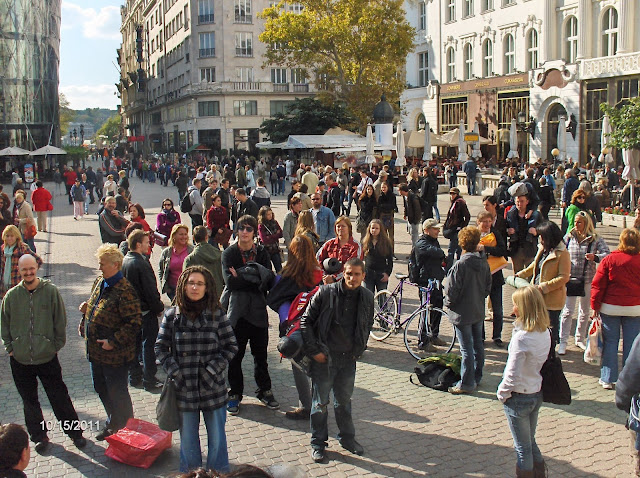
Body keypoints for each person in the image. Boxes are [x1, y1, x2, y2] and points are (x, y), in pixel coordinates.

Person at [156, 266, 237, 473]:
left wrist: (212, 370)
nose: (195, 287)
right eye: (191, 283)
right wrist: (175, 372)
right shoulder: (172, 316)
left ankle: (218, 473)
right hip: (184, 389)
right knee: (188, 440)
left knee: (217, 439)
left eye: (199, 283)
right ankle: (190, 474)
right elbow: (160, 347)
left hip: (213, 388)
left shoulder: (217, 314)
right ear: (183, 286)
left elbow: (231, 346)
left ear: (207, 287)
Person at [1, 255, 86, 453]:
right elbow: (4, 323)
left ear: (36, 268)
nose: (29, 273)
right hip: (20, 360)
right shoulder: (12, 296)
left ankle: (75, 433)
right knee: (29, 401)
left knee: (59, 397)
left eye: (31, 269)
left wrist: (55, 345)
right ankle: (39, 436)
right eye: (25, 270)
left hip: (47, 357)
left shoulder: (50, 292)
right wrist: (10, 347)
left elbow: (60, 320)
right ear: (19, 271)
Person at [300, 258, 374, 463]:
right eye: (349, 273)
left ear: (363, 276)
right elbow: (306, 321)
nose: (352, 278)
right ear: (344, 273)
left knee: (344, 402)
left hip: (348, 359)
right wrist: (314, 351)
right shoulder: (326, 292)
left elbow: (367, 323)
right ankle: (318, 443)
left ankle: (347, 439)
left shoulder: (367, 297)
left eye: (357, 274)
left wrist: (360, 348)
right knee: (320, 403)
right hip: (325, 358)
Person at [78, 244, 142, 441]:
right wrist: (85, 315)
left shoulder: (125, 290)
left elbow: (134, 323)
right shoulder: (100, 282)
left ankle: (126, 429)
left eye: (102, 264)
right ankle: (113, 422)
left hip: (113, 355)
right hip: (95, 353)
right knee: (100, 387)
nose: (99, 267)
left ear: (115, 265)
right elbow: (95, 306)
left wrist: (113, 341)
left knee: (118, 392)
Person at [222, 215, 278, 416]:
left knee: (260, 356)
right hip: (236, 314)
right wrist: (254, 277)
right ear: (236, 230)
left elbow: (268, 281)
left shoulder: (262, 253)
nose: (245, 232)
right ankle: (235, 393)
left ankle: (265, 390)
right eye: (241, 228)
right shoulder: (229, 253)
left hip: (258, 312)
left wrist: (242, 275)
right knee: (234, 357)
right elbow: (230, 283)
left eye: (249, 229)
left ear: (255, 232)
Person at [266, 236, 323, 421]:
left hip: (292, 328)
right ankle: (319, 406)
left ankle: (305, 406)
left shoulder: (286, 274)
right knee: (317, 367)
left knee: (298, 366)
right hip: (315, 326)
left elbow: (274, 299)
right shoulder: (318, 274)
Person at [497, 286, 551, 478]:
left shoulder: (522, 338)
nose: (513, 307)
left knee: (522, 449)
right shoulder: (544, 332)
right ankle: (540, 474)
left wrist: (502, 393)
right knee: (530, 442)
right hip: (535, 392)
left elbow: (512, 373)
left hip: (518, 396)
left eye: (516, 304)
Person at [591, 228, 640, 390]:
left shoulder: (610, 260)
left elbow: (598, 286)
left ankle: (607, 378)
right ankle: (628, 380)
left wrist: (594, 306)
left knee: (610, 343)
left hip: (610, 307)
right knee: (631, 345)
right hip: (634, 308)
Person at [444, 226, 491, 394]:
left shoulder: (461, 265)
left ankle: (467, 382)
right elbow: (487, 288)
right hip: (477, 310)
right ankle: (477, 376)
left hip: (462, 312)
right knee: (478, 346)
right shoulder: (483, 262)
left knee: (466, 349)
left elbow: (451, 290)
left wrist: (448, 303)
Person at [559, 212, 610, 354]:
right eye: (575, 222)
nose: (576, 225)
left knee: (584, 311)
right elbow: (559, 250)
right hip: (570, 278)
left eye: (579, 222)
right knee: (567, 311)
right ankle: (563, 341)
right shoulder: (569, 237)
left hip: (587, 279)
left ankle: (579, 338)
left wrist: (596, 257)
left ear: (586, 223)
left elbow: (607, 254)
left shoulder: (595, 239)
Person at [121, 230, 165, 392]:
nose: (149, 245)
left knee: (134, 345)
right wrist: (159, 308)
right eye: (146, 242)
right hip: (145, 312)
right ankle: (149, 379)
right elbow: (150, 290)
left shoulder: (125, 260)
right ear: (138, 244)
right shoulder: (141, 262)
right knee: (148, 346)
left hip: (131, 312)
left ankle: (135, 377)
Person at [515, 221, 571, 345]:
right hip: (536, 297)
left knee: (550, 331)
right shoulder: (542, 249)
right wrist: (521, 274)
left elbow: (564, 277)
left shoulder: (563, 254)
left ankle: (550, 356)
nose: (540, 240)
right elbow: (535, 265)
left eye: (542, 237)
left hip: (551, 301)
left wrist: (544, 287)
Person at [409, 218, 447, 351]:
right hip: (425, 282)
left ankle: (434, 335)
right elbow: (436, 252)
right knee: (425, 310)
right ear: (426, 230)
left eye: (438, 228)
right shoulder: (421, 243)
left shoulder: (434, 241)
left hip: (436, 281)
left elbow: (441, 257)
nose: (438, 231)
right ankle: (423, 341)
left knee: (438, 307)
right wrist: (441, 254)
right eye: (435, 228)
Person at [476, 211, 507, 347]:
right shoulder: (474, 235)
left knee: (498, 308)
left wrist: (486, 248)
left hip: (495, 275)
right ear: (479, 222)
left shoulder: (496, 233)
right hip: (479, 277)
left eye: (489, 221)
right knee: (479, 308)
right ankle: (480, 336)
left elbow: (502, 250)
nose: (487, 224)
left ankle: (497, 336)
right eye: (485, 222)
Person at [316, 216, 363, 284]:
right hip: (327, 282)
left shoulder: (355, 246)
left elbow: (353, 266)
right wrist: (324, 276)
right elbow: (318, 260)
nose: (340, 228)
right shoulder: (329, 244)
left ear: (349, 228)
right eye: (338, 226)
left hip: (347, 284)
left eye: (343, 226)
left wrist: (335, 278)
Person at [0, 225, 42, 299]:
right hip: (4, 285)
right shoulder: (3, 249)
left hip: (18, 283)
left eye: (12, 236)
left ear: (16, 236)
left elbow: (38, 260)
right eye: (7, 236)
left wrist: (29, 273)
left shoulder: (22, 248)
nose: (9, 238)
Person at [506, 186, 541, 274]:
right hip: (516, 250)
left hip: (530, 249)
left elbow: (544, 229)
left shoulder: (535, 214)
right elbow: (503, 228)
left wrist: (536, 231)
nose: (519, 204)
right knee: (518, 276)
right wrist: (508, 231)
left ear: (527, 202)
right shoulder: (511, 214)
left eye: (522, 202)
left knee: (531, 276)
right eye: (517, 202)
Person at [184, 226, 224, 302]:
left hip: (197, 296)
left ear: (193, 238)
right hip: (217, 293)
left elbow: (185, 281)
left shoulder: (190, 259)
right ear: (206, 237)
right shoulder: (219, 254)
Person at [159, 224, 194, 301]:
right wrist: (165, 287)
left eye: (185, 234)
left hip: (189, 288)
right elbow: (161, 270)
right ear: (174, 236)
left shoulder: (192, 250)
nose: (184, 237)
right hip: (172, 289)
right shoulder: (167, 252)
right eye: (181, 234)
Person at [362, 219, 392, 297]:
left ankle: (383, 310)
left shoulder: (386, 243)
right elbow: (361, 258)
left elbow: (390, 260)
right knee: (367, 298)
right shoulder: (365, 242)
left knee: (382, 299)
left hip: (381, 274)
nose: (374, 230)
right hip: (368, 274)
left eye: (376, 228)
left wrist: (387, 274)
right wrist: (362, 272)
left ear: (380, 229)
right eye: (372, 228)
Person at [443, 187, 471, 270]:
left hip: (457, 229)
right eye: (450, 193)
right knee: (458, 249)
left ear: (457, 194)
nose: (452, 195)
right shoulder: (454, 202)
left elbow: (467, 216)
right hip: (453, 228)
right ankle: (460, 267)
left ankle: (448, 269)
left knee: (451, 250)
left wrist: (462, 227)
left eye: (453, 194)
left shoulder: (460, 203)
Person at [257, 206, 283, 273]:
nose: (270, 216)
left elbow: (281, 234)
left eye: (271, 214)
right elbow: (264, 240)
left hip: (275, 249)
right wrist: (275, 236)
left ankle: (279, 282)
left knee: (279, 269)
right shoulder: (261, 225)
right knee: (268, 270)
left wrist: (270, 237)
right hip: (266, 251)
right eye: (268, 214)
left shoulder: (274, 222)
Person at [377, 181, 396, 250]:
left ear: (388, 187)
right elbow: (378, 207)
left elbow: (393, 206)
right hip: (382, 216)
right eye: (382, 187)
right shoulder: (380, 196)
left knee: (391, 236)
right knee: (383, 235)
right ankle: (384, 250)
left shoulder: (392, 195)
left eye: (384, 187)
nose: (383, 189)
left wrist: (384, 206)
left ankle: (391, 251)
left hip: (389, 215)